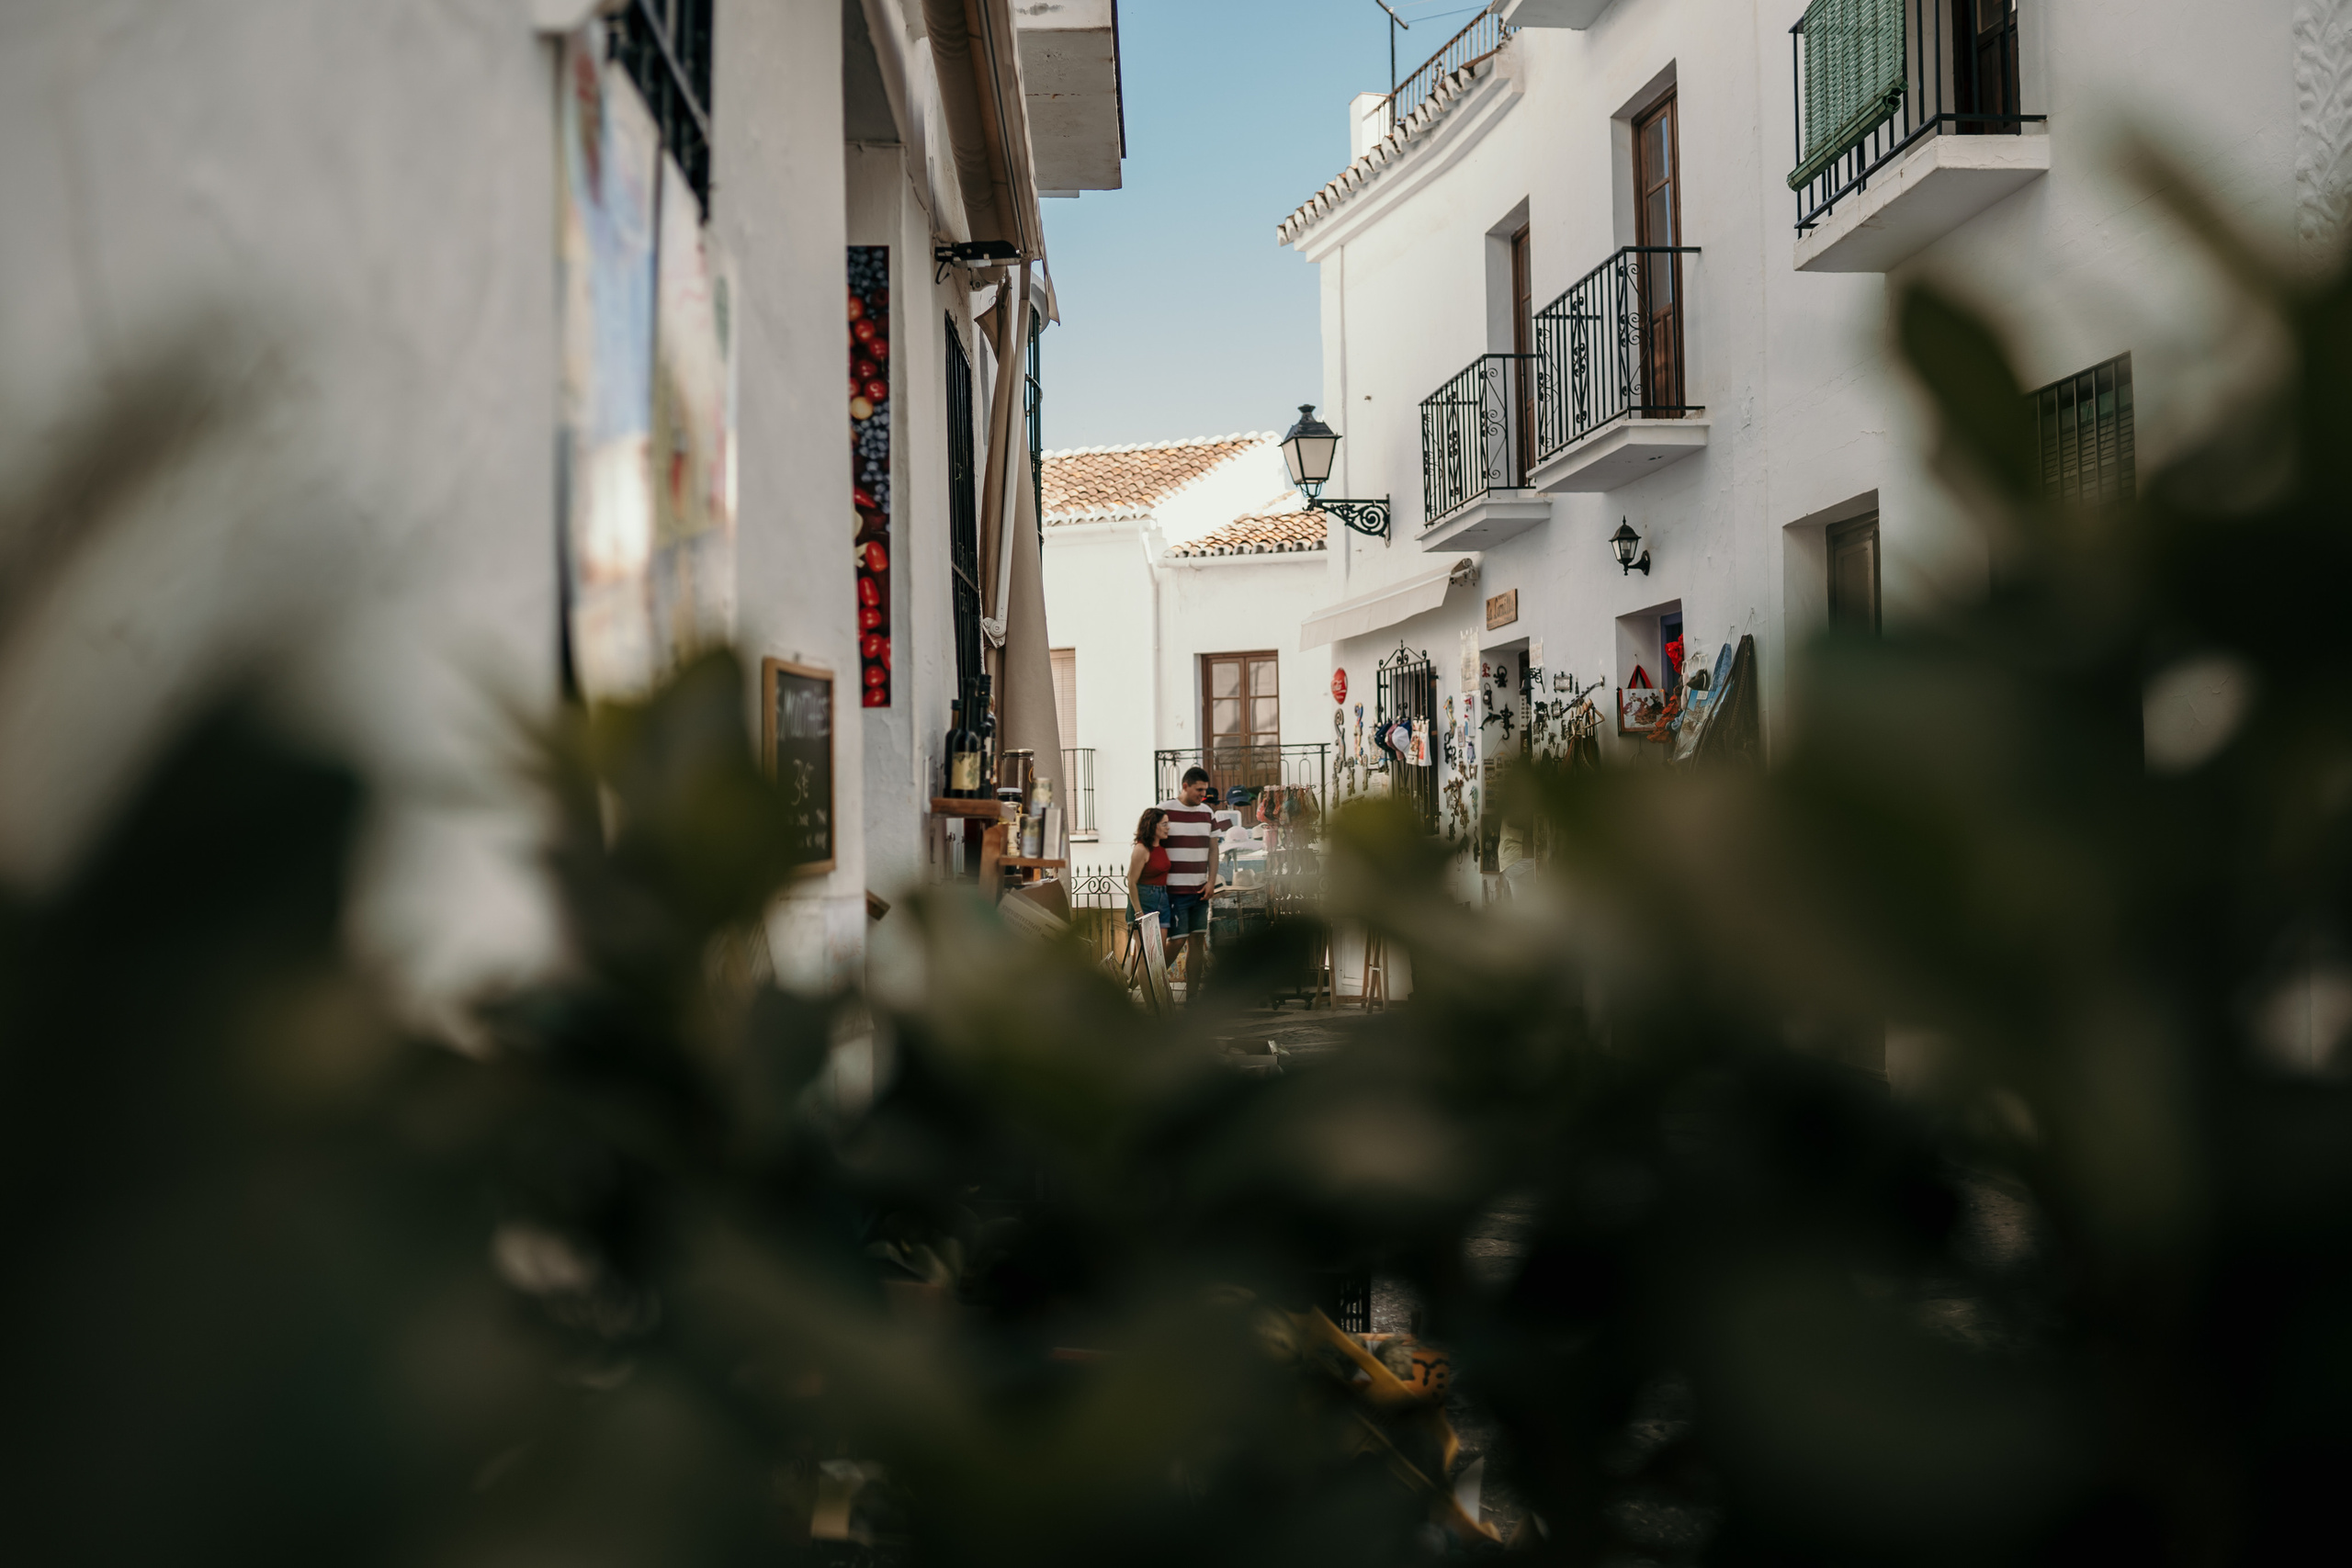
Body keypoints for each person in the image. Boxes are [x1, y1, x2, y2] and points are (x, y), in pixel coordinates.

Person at [1154, 766, 1218, 993]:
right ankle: (1152, 983)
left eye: (1205, 791)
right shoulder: (1163, 810)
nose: (1203, 795)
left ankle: (1192, 997)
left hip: (1200, 890)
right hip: (1173, 890)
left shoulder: (1208, 813)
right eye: (1198, 790)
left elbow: (1213, 850)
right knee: (1178, 940)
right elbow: (1150, 845)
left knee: (1197, 942)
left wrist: (1211, 882)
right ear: (1185, 786)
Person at [1126, 807, 1172, 933]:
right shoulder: (1141, 849)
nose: (1168, 827)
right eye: (1164, 824)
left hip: (1162, 899)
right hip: (1144, 899)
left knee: (1159, 952)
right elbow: (1131, 881)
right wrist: (1138, 912)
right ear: (1152, 825)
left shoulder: (1161, 848)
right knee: (1146, 952)